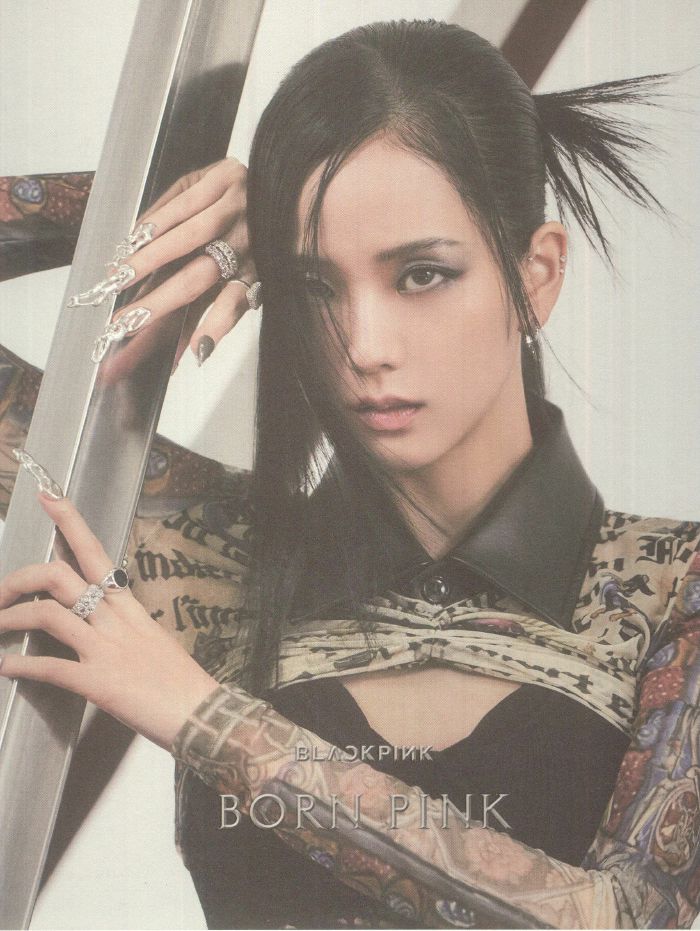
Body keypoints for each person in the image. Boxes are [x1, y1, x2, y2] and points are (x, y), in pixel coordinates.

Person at [2, 18, 700, 929]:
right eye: (316, 286)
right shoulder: (220, 559)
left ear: (536, 275)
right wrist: (172, 210)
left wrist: (201, 716)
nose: (364, 347)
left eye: (420, 275)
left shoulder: (670, 588)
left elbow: (627, 915)